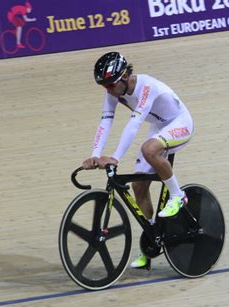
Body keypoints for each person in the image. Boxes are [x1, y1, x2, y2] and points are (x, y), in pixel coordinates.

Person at [82, 52, 194, 269]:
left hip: (181, 123)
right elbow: (106, 121)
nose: (108, 90)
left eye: (110, 84)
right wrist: (95, 153)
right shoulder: (114, 90)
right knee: (139, 185)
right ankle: (152, 240)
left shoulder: (146, 87)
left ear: (125, 76)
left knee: (149, 149)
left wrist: (115, 158)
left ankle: (178, 196)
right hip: (161, 127)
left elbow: (134, 125)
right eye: (104, 86)